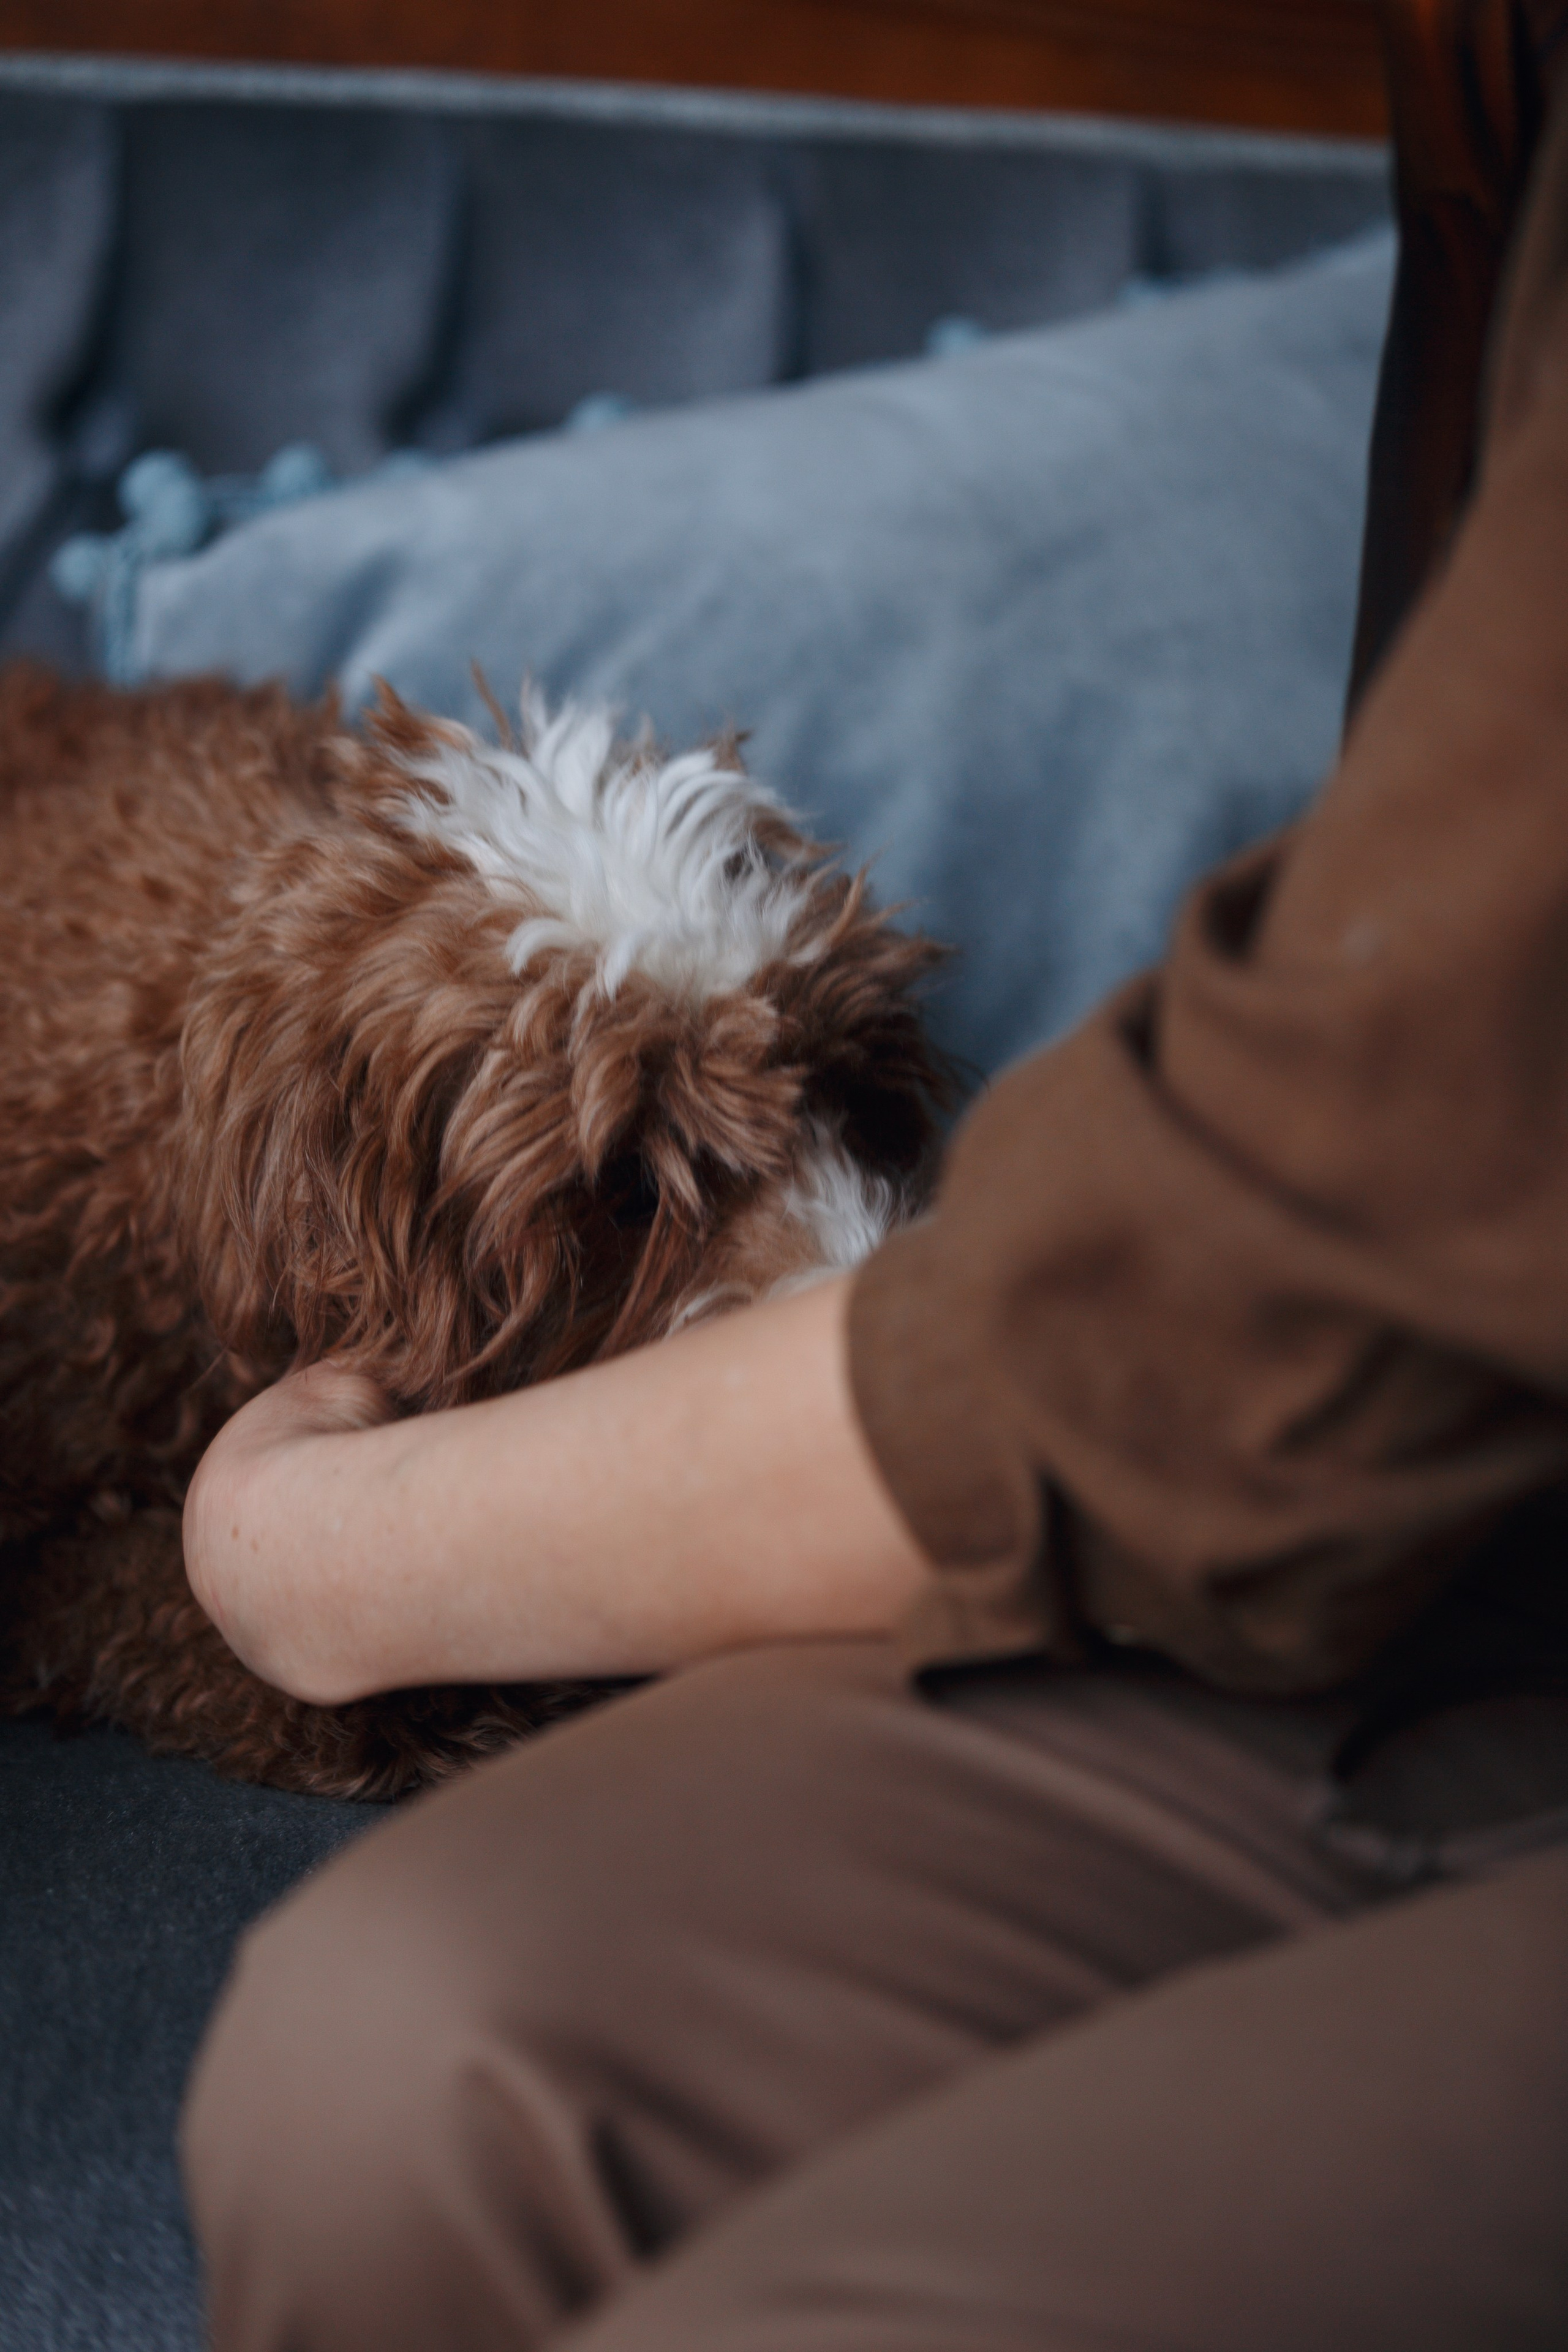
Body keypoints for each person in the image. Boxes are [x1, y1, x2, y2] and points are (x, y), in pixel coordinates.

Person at [179, 6, 1568, 2346]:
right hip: (1464, 1523)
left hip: (1334, 1418)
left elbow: (1289, 1291)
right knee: (398, 2068)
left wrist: (318, 1558)